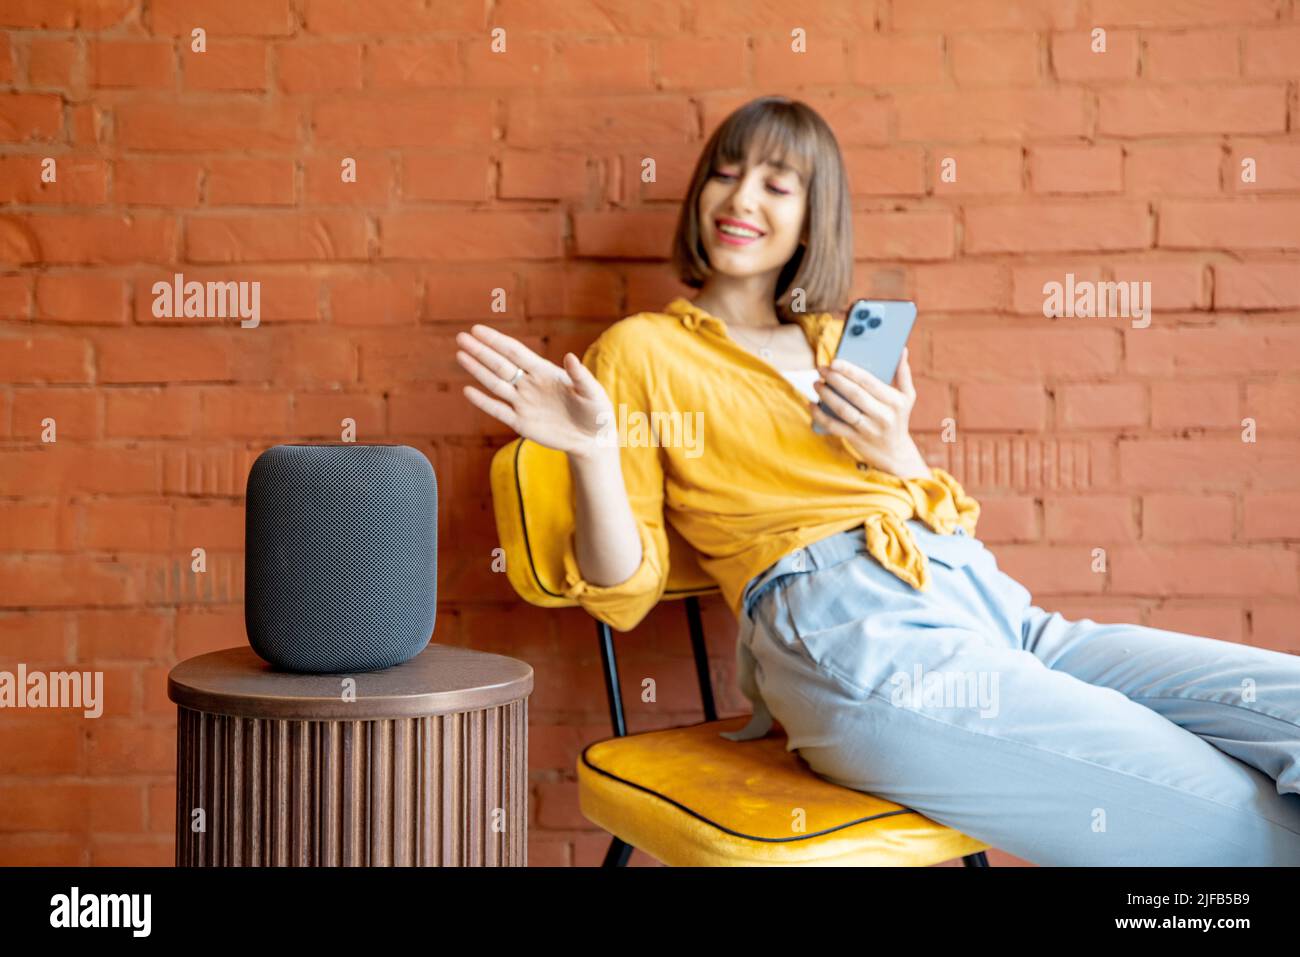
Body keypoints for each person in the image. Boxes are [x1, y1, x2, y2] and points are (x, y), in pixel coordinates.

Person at [455, 96, 1300, 866]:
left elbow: (936, 514)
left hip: (1000, 612)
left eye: (778, 184)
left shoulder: (837, 343)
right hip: (855, 638)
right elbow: (621, 591)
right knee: (1237, 821)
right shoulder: (642, 350)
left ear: (813, 218)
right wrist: (595, 451)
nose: (741, 198)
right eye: (726, 171)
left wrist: (898, 449)